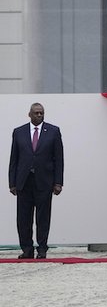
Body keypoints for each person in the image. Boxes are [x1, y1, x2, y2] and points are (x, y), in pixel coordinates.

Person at [8, 102, 64, 260]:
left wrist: (58, 182)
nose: (39, 115)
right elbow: (14, 159)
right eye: (36, 113)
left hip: (44, 181)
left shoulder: (53, 131)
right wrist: (12, 182)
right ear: (30, 114)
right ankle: (26, 249)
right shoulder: (19, 132)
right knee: (23, 218)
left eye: (42, 113)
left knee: (43, 217)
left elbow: (58, 158)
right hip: (24, 182)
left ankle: (42, 249)